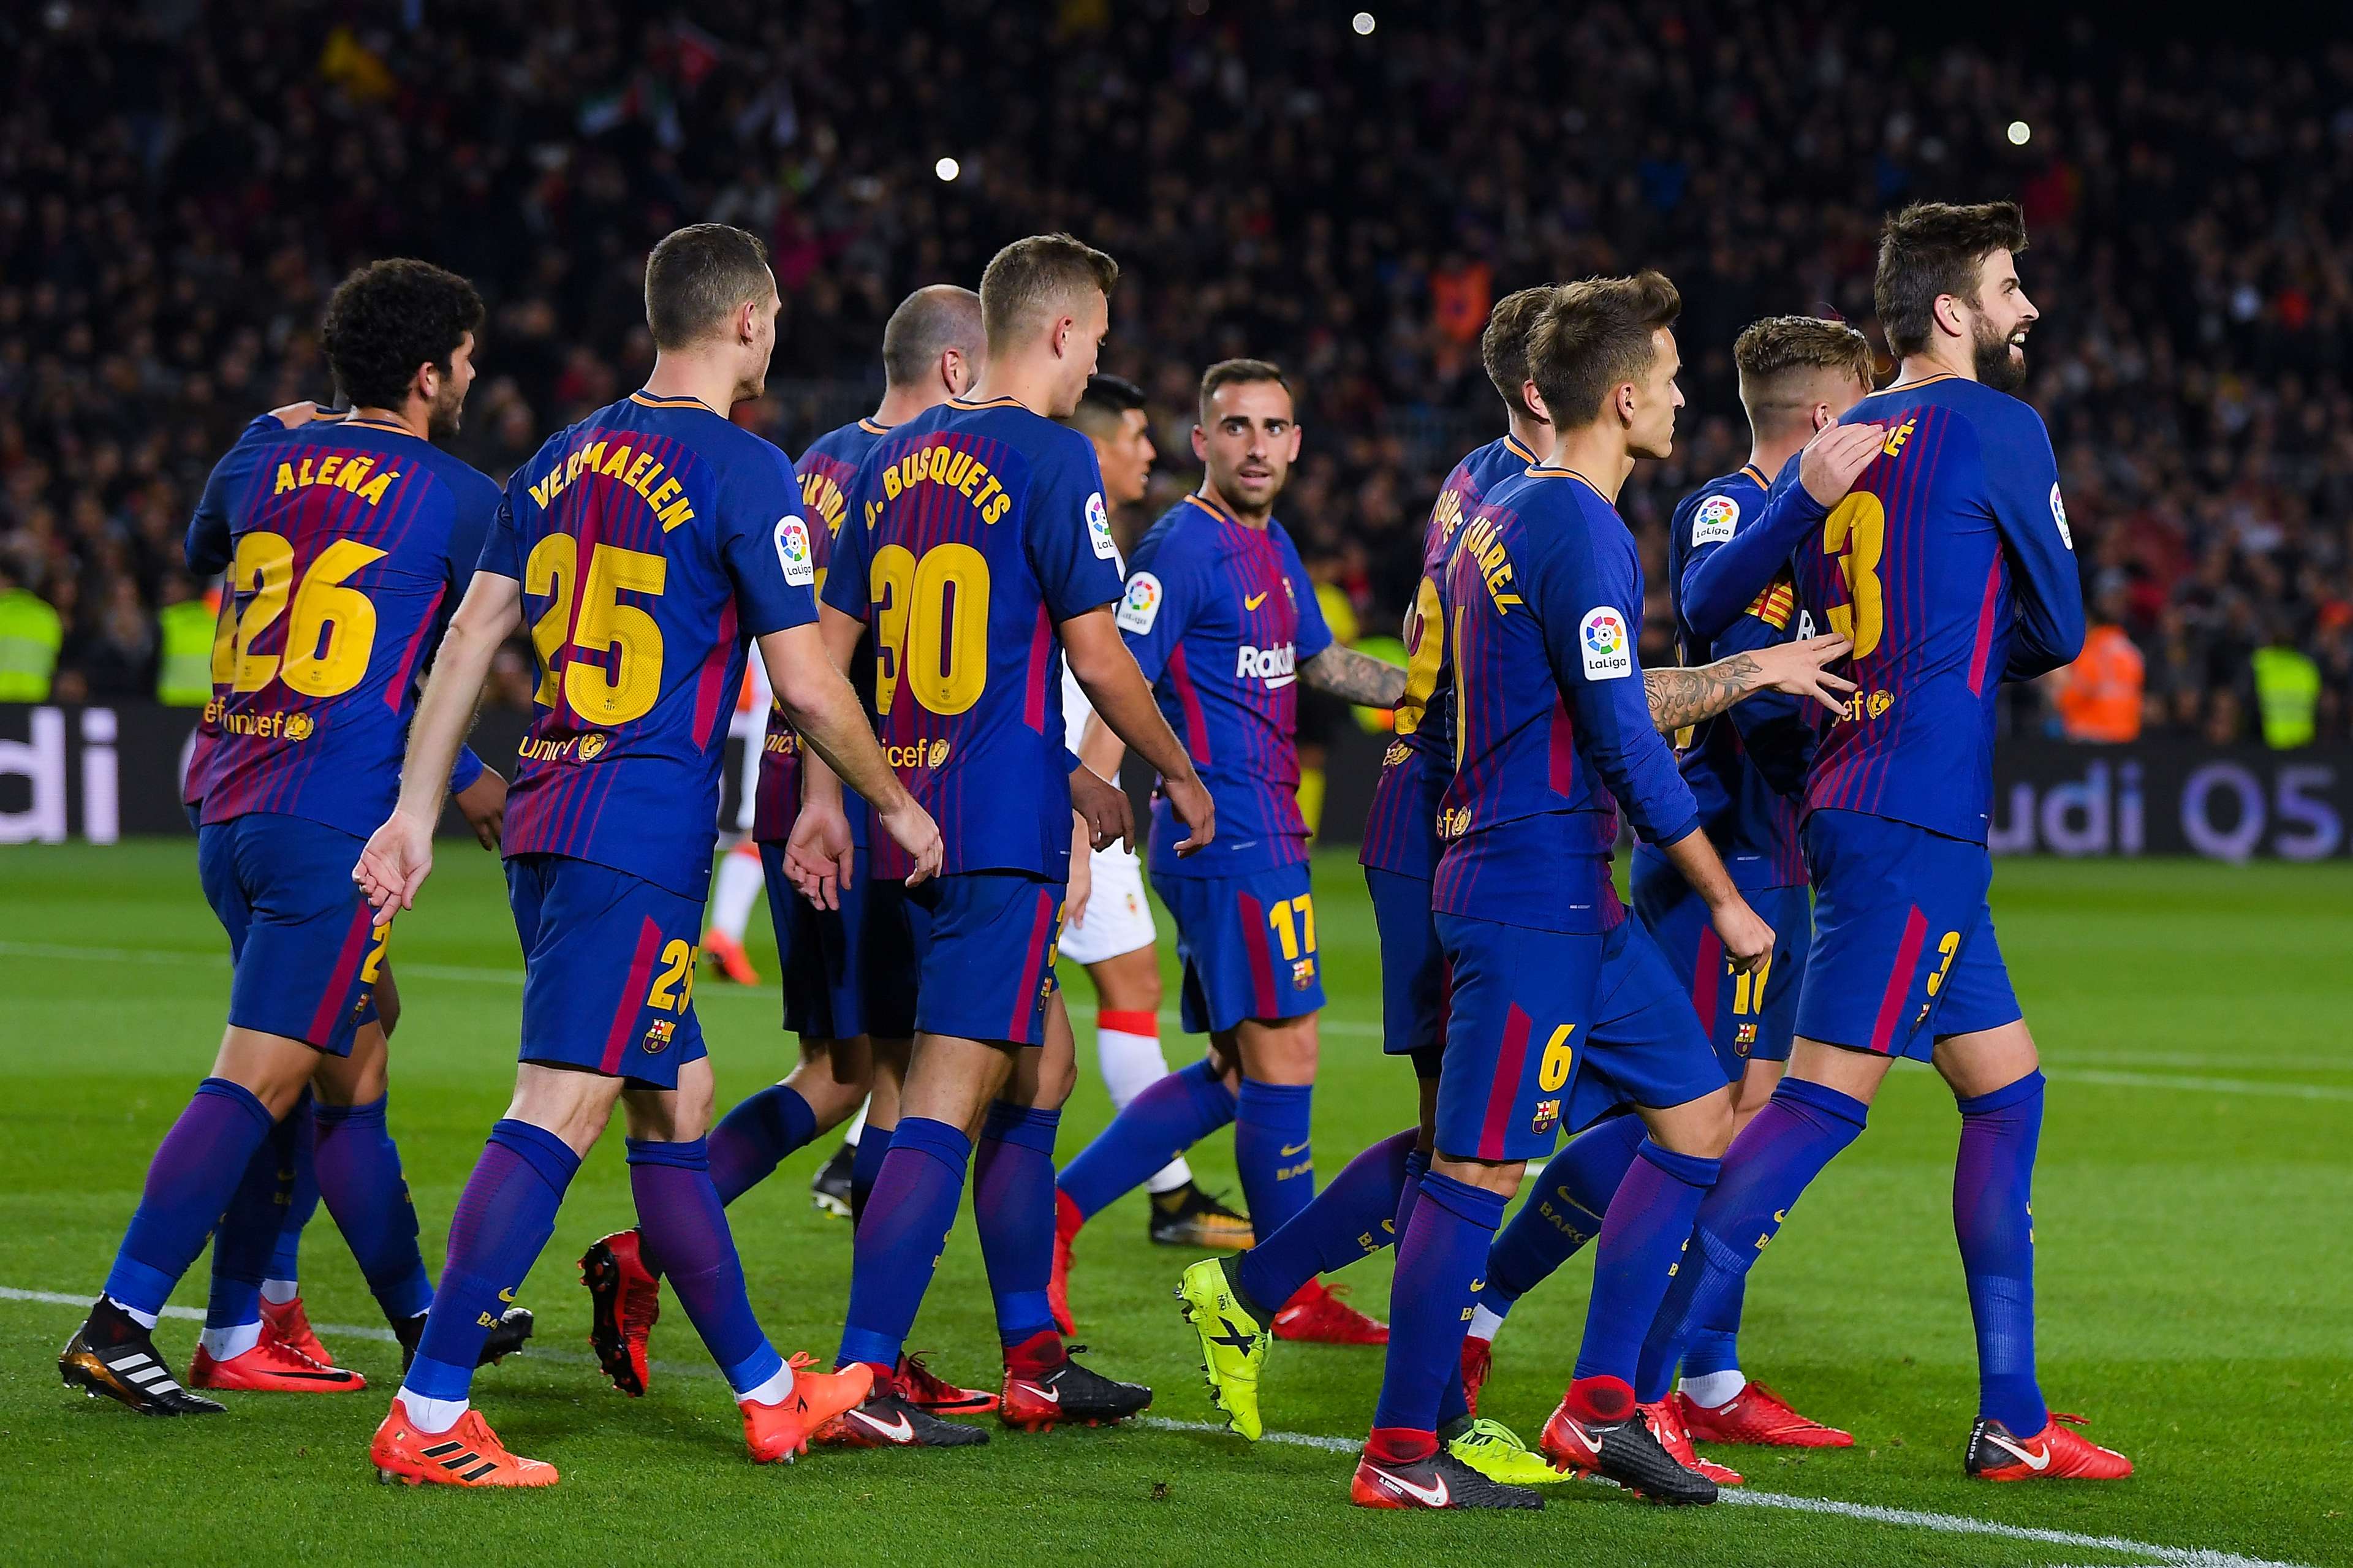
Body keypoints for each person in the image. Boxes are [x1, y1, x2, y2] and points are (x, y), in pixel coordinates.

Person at [352, 224, 942, 1488]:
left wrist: (416, 806)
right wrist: (893, 800)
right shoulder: (745, 467)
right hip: (635, 829)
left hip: (552, 814)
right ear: (744, 319)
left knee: (674, 1098)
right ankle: (432, 1404)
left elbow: (469, 638)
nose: (777, 333)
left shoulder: (563, 453)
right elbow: (808, 684)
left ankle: (773, 1395)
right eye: (775, 314)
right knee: (558, 1102)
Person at [1634, 201, 2131, 1484]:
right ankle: (1633, 1386)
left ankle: (2013, 1416)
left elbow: (1700, 605)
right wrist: (1953, 658)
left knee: (2006, 1087)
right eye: (2011, 286)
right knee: (1816, 1102)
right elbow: (2062, 626)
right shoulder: (2002, 426)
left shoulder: (1846, 435)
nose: (2027, 308)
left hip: (1867, 802)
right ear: (1953, 309)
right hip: (1913, 808)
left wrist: (1814, 527)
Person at [1347, 273, 1857, 1510]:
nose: (1686, 395)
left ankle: (1599, 1405)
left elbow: (1589, 701)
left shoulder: (1511, 509)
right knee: (1473, 1174)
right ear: (1622, 396)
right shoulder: (1576, 525)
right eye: (1674, 378)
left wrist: (1732, 674)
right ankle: (1401, 1449)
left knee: (1694, 1117)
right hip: (1528, 895)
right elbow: (1624, 740)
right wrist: (1721, 894)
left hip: (1569, 895)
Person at [60, 260, 527, 1412]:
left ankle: (383, 1315)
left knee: (353, 1055)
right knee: (260, 1076)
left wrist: (255, 440)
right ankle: (120, 1317)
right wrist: (471, 774)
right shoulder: (463, 497)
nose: (472, 377)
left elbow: (201, 551)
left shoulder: (262, 454)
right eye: (464, 360)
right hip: (329, 821)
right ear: (428, 374)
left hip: (233, 803)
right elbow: (461, 643)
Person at [795, 232, 1210, 1449]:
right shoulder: (1051, 455)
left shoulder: (897, 456)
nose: (1099, 366)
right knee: (945, 1093)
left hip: (903, 817)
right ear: (1069, 333)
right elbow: (1097, 652)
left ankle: (1033, 1354)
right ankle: (865, 1375)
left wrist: (851, 794)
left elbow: (826, 654)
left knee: (1046, 1066)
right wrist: (1171, 771)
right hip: (992, 831)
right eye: (1102, 342)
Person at [1463, 315, 1882, 1458]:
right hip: (1716, 858)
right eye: (1871, 404)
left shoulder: (1834, 533)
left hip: (1773, 859)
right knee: (1678, 1120)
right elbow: (1709, 650)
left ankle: (1705, 1374)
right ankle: (1500, 1316)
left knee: (1721, 1122)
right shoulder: (1730, 509)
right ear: (1829, 415)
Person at [578, 284, 998, 1418]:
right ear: (959, 372)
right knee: (907, 1080)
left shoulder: (811, 459)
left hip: (788, 783)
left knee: (844, 1073)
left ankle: (647, 1248)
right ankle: (875, 1355)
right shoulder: (928, 471)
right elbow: (854, 661)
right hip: (862, 789)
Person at [1176, 286, 1564, 1482]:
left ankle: (1403, 1379)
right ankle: (1300, 1317)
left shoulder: (1475, 476)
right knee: (1477, 1143)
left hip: (1439, 816)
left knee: (1481, 1138)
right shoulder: (1534, 500)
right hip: (1453, 825)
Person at [1051, 360, 1406, 1346]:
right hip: (1224, 832)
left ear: (1296, 443)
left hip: (1269, 830)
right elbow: (1120, 673)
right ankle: (1283, 1285)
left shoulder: (1273, 543)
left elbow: (1324, 664)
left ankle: (1060, 1213)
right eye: (1236, 427)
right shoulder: (1184, 548)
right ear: (1202, 442)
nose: (1258, 445)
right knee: (1286, 1053)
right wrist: (1088, 810)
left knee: (1239, 1073)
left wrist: (1438, 688)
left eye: (1275, 427)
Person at [1060, 373, 1252, 1248]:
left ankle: (873, 1147)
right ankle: (1157, 1200)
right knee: (1118, 997)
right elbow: (1105, 683)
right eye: (1136, 435)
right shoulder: (1078, 516)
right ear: (1097, 445)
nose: (1149, 451)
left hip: (1032, 788)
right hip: (1072, 800)